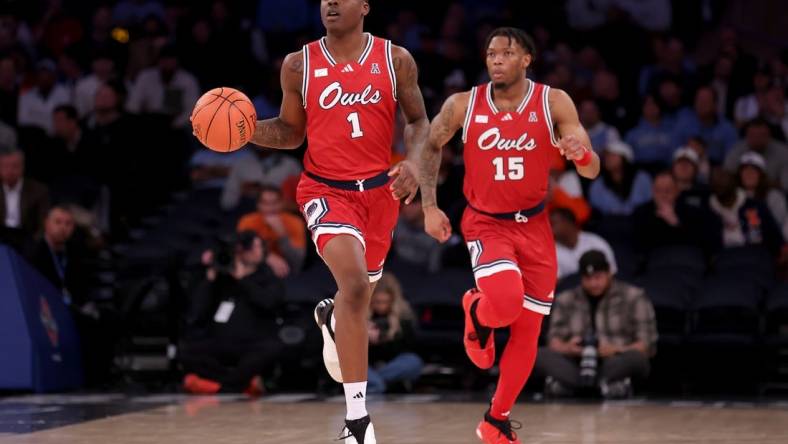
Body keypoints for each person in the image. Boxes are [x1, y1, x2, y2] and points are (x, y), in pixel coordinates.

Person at [230, 1, 429, 441]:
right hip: (324, 191)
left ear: (365, 6)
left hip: (380, 195)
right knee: (356, 287)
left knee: (357, 295)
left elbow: (418, 120)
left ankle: (335, 321)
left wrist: (414, 163)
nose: (331, 3)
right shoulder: (298, 64)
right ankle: (356, 422)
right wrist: (245, 130)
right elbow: (291, 130)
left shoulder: (395, 59)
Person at [419, 27, 600, 444]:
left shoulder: (553, 101)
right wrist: (429, 205)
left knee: (529, 330)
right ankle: (477, 311)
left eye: (506, 52)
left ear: (526, 60)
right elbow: (429, 145)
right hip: (486, 222)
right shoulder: (464, 104)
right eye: (490, 53)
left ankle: (495, 420)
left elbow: (591, 169)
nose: (496, 59)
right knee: (504, 305)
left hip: (535, 225)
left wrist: (582, 154)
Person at [535, 250, 657, 398]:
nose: (593, 283)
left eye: (598, 277)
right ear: (581, 278)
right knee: (538, 355)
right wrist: (569, 348)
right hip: (575, 363)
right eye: (588, 278)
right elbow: (553, 342)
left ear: (609, 273)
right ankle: (605, 387)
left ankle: (572, 388)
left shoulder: (634, 296)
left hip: (615, 360)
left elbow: (646, 345)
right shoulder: (565, 299)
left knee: (636, 359)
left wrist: (615, 349)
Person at [181, 232, 285, 396]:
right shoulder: (221, 278)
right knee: (187, 350)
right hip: (220, 341)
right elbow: (197, 311)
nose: (259, 251)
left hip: (253, 343)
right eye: (254, 247)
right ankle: (242, 384)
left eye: (259, 246)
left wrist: (242, 279)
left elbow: (268, 302)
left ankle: (219, 387)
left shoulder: (267, 276)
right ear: (238, 252)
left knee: (271, 349)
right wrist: (210, 278)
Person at [633, 171, 721, 256]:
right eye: (658, 191)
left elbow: (699, 245)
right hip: (654, 265)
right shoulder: (641, 213)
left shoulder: (692, 212)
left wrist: (675, 223)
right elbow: (639, 247)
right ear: (652, 191)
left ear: (677, 191)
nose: (663, 195)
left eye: (667, 191)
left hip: (685, 262)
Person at [366, 274, 422, 394]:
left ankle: (375, 382)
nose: (381, 306)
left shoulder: (404, 316)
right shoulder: (359, 316)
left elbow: (410, 347)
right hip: (366, 365)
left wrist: (389, 337)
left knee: (413, 362)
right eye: (377, 302)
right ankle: (377, 383)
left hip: (392, 364)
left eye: (385, 302)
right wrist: (365, 339)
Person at [709, 169, 784, 256]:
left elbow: (776, 240)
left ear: (733, 180)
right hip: (723, 262)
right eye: (713, 180)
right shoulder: (707, 211)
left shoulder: (754, 206)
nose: (718, 182)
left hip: (755, 259)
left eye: (722, 178)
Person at [237, 185, 307, 277]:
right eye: (265, 203)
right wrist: (266, 256)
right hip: (255, 270)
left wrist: (282, 234)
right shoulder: (247, 221)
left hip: (285, 272)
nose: (270, 208)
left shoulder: (295, 222)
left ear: (282, 203)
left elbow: (297, 262)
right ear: (258, 204)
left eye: (274, 203)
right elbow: (240, 252)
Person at [588, 140, 653, 216]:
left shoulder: (642, 179)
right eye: (606, 155)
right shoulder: (598, 184)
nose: (608, 159)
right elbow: (596, 210)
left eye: (613, 155)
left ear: (625, 158)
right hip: (610, 224)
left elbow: (649, 203)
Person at [723, 118, 788, 193]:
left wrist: (761, 183)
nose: (757, 139)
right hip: (741, 194)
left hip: (772, 194)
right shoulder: (736, 150)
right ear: (746, 135)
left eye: (761, 135)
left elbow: (785, 184)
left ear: (769, 136)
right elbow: (727, 177)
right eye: (753, 135)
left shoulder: (783, 152)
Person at [551, 207, 617, 279]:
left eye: (553, 224)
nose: (549, 228)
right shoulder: (550, 251)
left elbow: (611, 272)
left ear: (568, 223)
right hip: (570, 289)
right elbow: (556, 282)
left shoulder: (595, 242)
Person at [736, 152, 788, 240]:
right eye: (745, 170)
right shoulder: (733, 195)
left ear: (761, 175)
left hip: (768, 246)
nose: (749, 173)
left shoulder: (773, 196)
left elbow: (778, 227)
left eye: (754, 170)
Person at [0, 149, 50, 239]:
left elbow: (43, 223)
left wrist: (35, 242)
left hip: (27, 239)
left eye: (15, 166)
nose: (10, 171)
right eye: (5, 166)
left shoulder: (38, 190)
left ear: (22, 167)